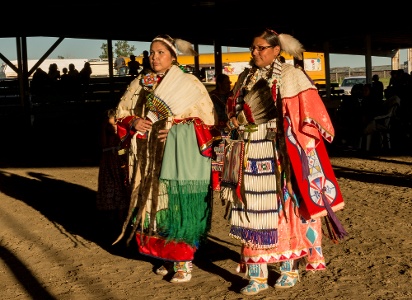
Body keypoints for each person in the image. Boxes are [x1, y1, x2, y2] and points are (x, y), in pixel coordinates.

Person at [221, 28, 347, 296]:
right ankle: (256, 273)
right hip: (248, 151)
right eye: (253, 48)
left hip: (278, 155)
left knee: (284, 208)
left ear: (276, 50)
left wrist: (288, 129)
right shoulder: (245, 77)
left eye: (261, 48)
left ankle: (289, 269)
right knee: (249, 209)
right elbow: (233, 106)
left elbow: (310, 112)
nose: (255, 52)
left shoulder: (291, 76)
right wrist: (234, 119)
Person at [113, 34, 218, 283]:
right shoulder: (141, 82)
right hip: (148, 156)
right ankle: (164, 255)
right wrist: (134, 121)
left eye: (161, 52)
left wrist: (176, 129)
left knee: (177, 205)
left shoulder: (189, 83)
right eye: (152, 52)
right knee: (153, 203)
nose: (155, 57)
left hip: (179, 156)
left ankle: (183, 261)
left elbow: (209, 121)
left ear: (173, 56)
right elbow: (121, 113)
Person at [96, 108, 129, 241]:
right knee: (110, 187)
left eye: (115, 124)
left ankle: (121, 217)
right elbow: (104, 145)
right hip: (109, 165)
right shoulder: (106, 136)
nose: (114, 128)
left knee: (122, 187)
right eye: (110, 125)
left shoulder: (123, 134)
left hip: (120, 165)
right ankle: (111, 215)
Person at [209, 73, 232, 191]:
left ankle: (229, 178)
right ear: (219, 84)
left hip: (231, 130)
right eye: (227, 83)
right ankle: (216, 182)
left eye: (229, 83)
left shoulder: (232, 96)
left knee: (230, 156)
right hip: (217, 130)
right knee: (217, 157)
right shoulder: (211, 96)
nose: (229, 85)